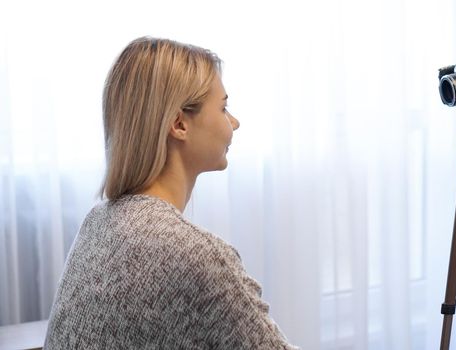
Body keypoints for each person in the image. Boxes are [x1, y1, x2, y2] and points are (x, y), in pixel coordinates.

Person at [44, 36, 297, 349]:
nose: (234, 122)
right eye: (224, 108)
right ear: (179, 124)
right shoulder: (197, 255)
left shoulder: (98, 221)